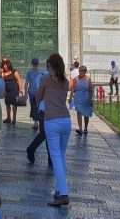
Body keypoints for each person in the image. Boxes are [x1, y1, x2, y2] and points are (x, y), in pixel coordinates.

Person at [36, 53, 71, 207]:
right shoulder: (66, 82)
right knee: (61, 156)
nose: (48, 69)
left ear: (53, 67)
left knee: (55, 157)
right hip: (66, 121)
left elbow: (38, 97)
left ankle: (63, 194)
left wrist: (40, 101)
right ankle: (59, 189)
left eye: (49, 67)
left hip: (52, 121)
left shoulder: (45, 80)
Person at [70, 65, 94, 135]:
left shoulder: (88, 79)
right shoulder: (76, 79)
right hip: (78, 97)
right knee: (79, 112)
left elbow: (90, 89)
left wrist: (91, 99)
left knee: (86, 114)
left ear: (85, 72)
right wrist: (70, 98)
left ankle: (85, 128)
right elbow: (72, 89)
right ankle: (80, 128)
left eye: (81, 71)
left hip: (86, 98)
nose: (80, 72)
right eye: (79, 71)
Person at [0, 58, 23, 125]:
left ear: (9, 65)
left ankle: (14, 118)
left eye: (6, 65)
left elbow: (19, 80)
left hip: (14, 90)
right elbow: (1, 80)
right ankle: (8, 117)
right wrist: (0, 73)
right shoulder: (3, 73)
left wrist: (21, 89)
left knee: (14, 104)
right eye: (4, 65)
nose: (5, 67)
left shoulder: (14, 72)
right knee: (7, 104)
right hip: (7, 91)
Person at [25, 58, 46, 132]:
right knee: (38, 107)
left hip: (34, 92)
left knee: (34, 107)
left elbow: (26, 83)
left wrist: (25, 93)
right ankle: (38, 122)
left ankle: (36, 123)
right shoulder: (41, 73)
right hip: (37, 93)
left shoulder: (30, 73)